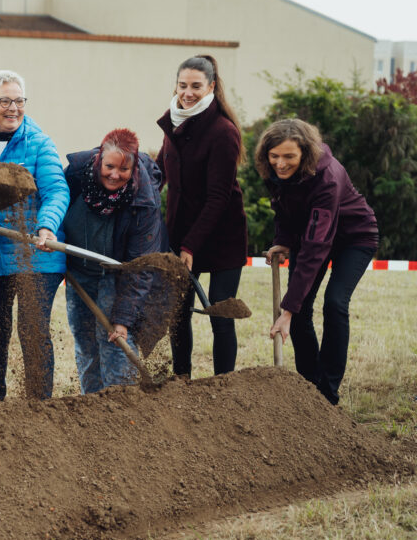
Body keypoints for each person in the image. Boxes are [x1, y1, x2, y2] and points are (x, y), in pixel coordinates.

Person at [0, 69, 70, 402]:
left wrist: (46, 225)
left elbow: (57, 191)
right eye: (5, 101)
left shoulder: (38, 144)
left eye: (19, 100)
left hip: (36, 254)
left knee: (32, 328)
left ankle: (38, 405)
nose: (14, 108)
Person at [258, 119, 378, 405]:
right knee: (300, 311)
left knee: (334, 303)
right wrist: (283, 239)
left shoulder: (327, 178)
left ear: (305, 153)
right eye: (274, 156)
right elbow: (282, 209)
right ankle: (311, 389)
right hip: (311, 236)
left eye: (289, 156)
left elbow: (315, 248)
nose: (280, 163)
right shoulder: (274, 172)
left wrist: (286, 310)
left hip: (353, 238)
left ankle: (329, 391)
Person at [156, 55, 247, 377]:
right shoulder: (174, 122)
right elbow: (161, 171)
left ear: (211, 86)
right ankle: (181, 381)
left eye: (196, 86)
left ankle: (224, 385)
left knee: (220, 313)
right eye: (183, 85)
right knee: (177, 314)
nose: (188, 93)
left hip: (222, 235)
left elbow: (218, 197)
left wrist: (190, 246)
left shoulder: (223, 132)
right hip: (181, 231)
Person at [62, 129, 165, 393]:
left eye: (123, 169)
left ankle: (122, 402)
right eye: (109, 166)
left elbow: (141, 266)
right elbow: (55, 205)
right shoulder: (75, 176)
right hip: (78, 271)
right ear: (99, 160)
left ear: (134, 167)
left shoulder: (144, 200)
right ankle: (92, 403)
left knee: (114, 339)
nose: (115, 175)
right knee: (85, 341)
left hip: (117, 274)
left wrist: (123, 318)